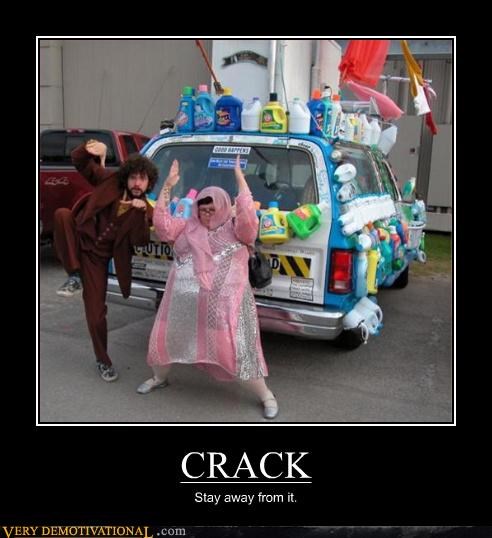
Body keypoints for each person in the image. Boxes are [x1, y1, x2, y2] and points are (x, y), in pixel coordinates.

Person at [137, 155, 279, 419]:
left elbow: (248, 216)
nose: (206, 214)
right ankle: (159, 378)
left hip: (226, 308)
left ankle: (266, 395)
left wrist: (240, 178)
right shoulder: (186, 227)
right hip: (182, 305)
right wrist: (167, 186)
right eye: (202, 209)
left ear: (223, 207)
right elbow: (163, 226)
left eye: (212, 209)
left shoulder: (237, 230)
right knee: (166, 340)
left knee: (236, 350)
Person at [53, 139, 159, 382]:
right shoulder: (109, 181)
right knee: (62, 215)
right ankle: (74, 276)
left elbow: (141, 242)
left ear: (149, 183)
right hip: (77, 241)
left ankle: (103, 360)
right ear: (126, 178)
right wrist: (91, 148)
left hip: (97, 261)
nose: (137, 183)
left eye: (142, 179)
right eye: (133, 177)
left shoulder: (146, 210)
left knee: (96, 315)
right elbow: (79, 161)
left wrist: (139, 214)